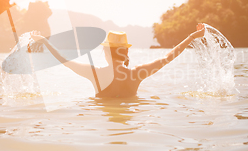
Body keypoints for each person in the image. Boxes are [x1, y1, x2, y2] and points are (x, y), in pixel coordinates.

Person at [30, 23, 205, 98]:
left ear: (105, 51)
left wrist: (44, 41)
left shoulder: (95, 73)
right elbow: (168, 57)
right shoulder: (137, 73)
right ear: (125, 52)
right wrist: (193, 36)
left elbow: (64, 59)